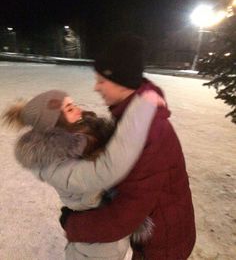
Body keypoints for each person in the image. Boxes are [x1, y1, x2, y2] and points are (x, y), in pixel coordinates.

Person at [60, 34, 196, 260]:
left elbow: (127, 214)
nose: (96, 87)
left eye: (102, 80)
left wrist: (74, 225)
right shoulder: (135, 117)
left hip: (163, 243)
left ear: (121, 81)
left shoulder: (147, 131)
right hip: (158, 233)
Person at [2, 88, 163, 260]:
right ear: (54, 124)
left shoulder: (84, 137)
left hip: (107, 228)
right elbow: (106, 170)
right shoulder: (54, 165)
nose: (79, 110)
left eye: (74, 104)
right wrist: (141, 110)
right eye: (70, 109)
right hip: (96, 244)